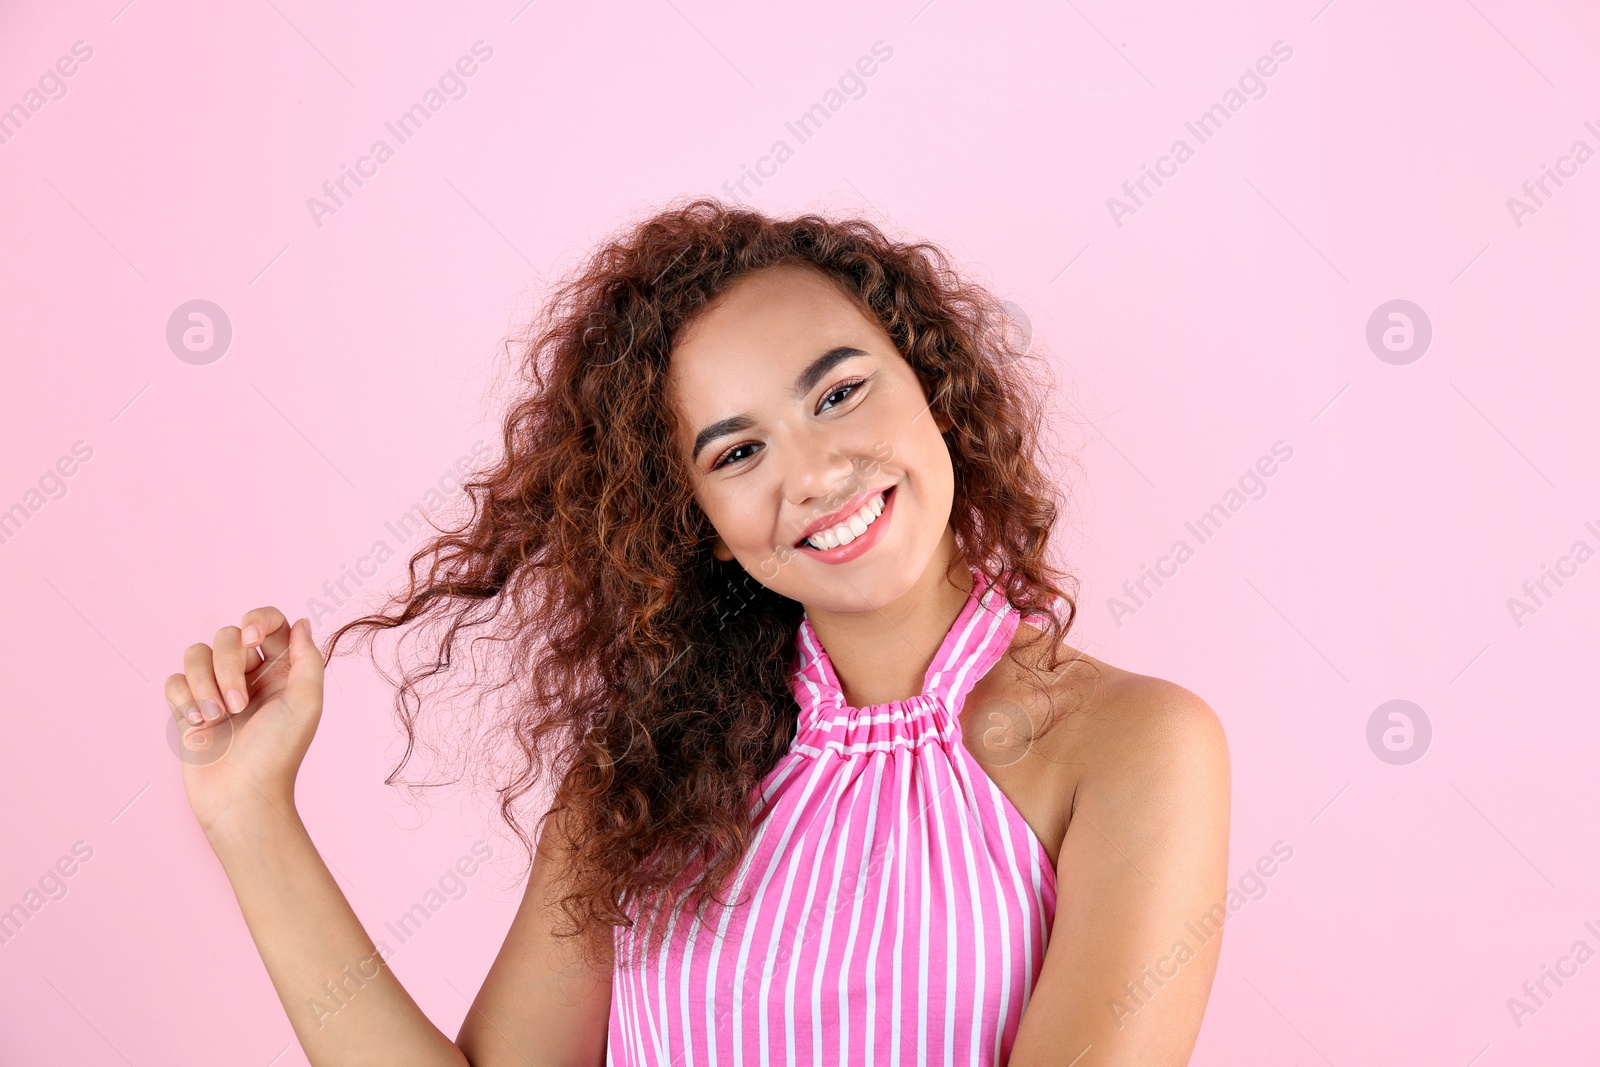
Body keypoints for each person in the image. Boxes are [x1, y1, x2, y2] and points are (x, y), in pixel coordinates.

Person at [165, 198, 1231, 1065]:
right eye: (735, 453)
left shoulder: (1135, 744)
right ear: (707, 529)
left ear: (936, 389)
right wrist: (249, 814)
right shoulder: (639, 787)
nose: (814, 473)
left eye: (841, 391)